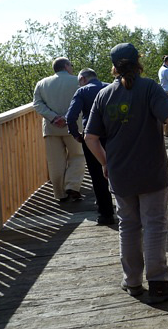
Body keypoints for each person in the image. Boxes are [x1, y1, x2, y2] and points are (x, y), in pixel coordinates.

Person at [85, 42, 168, 303]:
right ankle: (159, 283)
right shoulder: (149, 88)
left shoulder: (104, 94)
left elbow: (90, 137)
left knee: (128, 226)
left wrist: (105, 163)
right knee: (154, 224)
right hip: (151, 170)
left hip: (120, 173)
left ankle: (132, 281)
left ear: (114, 66)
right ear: (138, 62)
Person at [65, 68, 115, 225]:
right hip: (114, 136)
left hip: (92, 138)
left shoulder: (82, 92)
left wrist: (76, 135)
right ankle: (129, 209)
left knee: (97, 175)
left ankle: (106, 214)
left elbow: (71, 117)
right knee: (120, 170)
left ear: (83, 79)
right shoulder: (110, 87)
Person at [33, 57, 86, 202]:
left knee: (55, 162)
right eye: (71, 65)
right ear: (66, 66)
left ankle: (59, 194)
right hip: (74, 126)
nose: (72, 68)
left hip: (51, 128)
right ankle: (72, 186)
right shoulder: (78, 81)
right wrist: (66, 118)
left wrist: (54, 118)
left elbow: (37, 104)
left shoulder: (42, 83)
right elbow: (83, 102)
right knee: (78, 156)